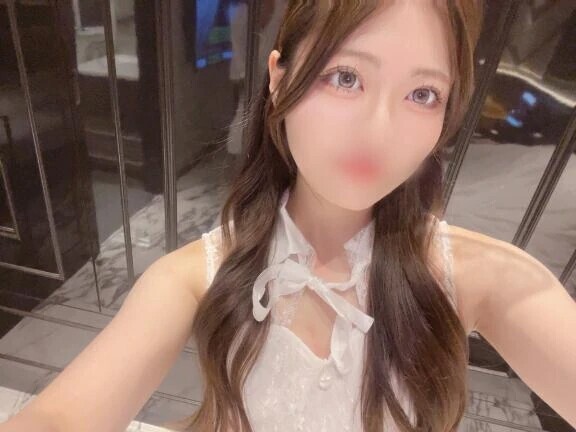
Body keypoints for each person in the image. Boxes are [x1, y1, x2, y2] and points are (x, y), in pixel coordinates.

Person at [3, 1, 576, 431]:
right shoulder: (192, 277)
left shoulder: (479, 277)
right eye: (346, 77)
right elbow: (59, 418)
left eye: (422, 94)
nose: (379, 131)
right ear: (278, 80)